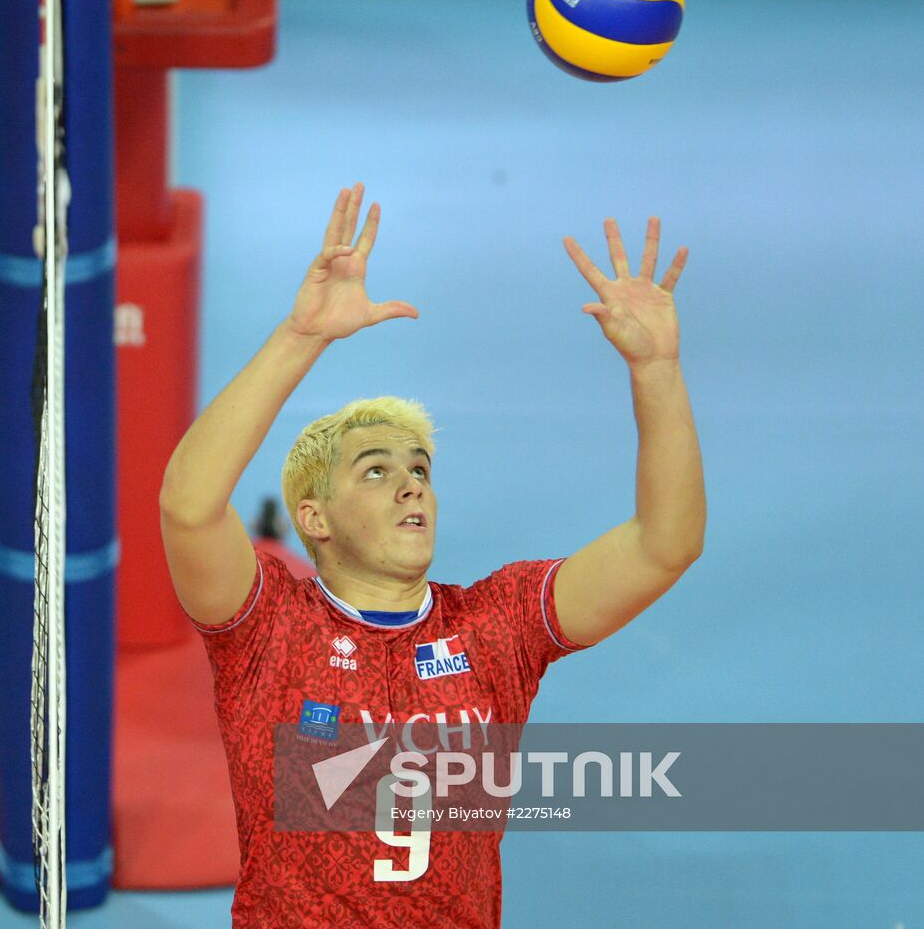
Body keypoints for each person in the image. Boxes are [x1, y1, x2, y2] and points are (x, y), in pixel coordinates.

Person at [160, 184, 705, 927]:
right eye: (374, 471)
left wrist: (657, 369)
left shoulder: (498, 626)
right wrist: (301, 335)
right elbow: (187, 506)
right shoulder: (267, 632)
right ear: (313, 517)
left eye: (419, 469)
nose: (410, 485)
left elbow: (664, 544)